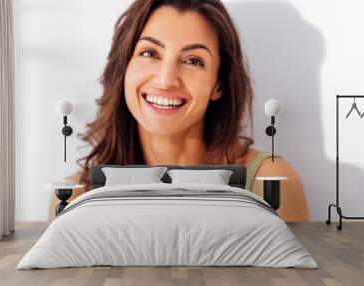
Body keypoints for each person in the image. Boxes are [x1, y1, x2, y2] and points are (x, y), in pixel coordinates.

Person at [48, 0, 309, 222]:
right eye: (150, 53)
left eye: (193, 61)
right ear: (124, 67)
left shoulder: (269, 182)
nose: (166, 80)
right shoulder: (73, 196)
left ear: (218, 83)